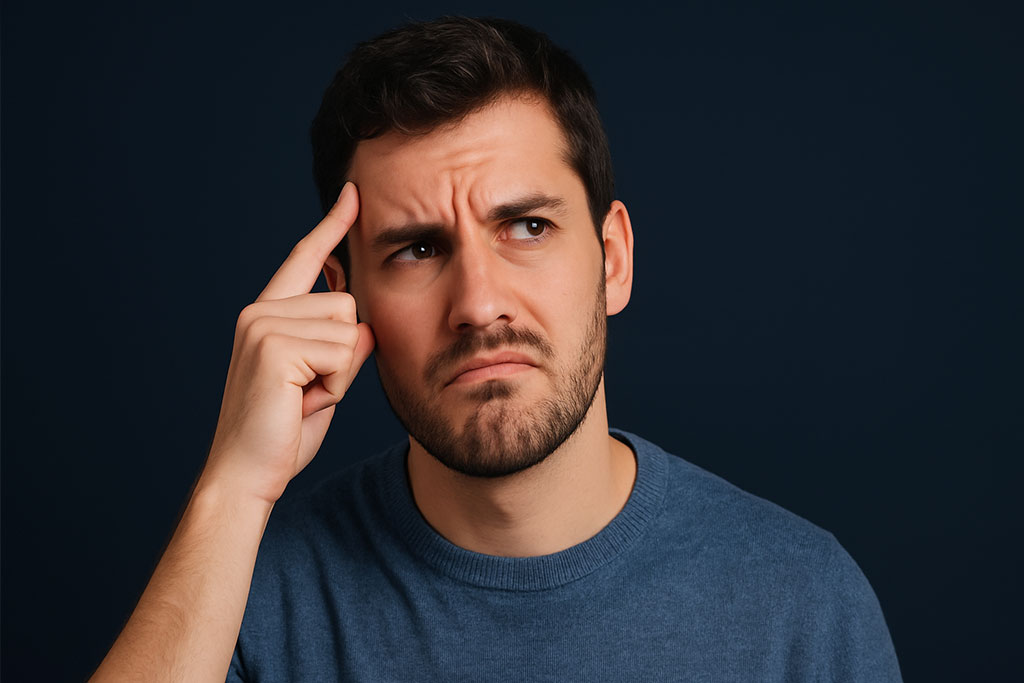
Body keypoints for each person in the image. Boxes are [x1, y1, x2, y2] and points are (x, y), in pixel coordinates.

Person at [91, 16, 902, 682]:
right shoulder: (248, 592)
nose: (478, 306)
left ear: (613, 260)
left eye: (527, 227)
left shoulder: (802, 602)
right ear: (345, 296)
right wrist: (231, 492)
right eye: (416, 249)